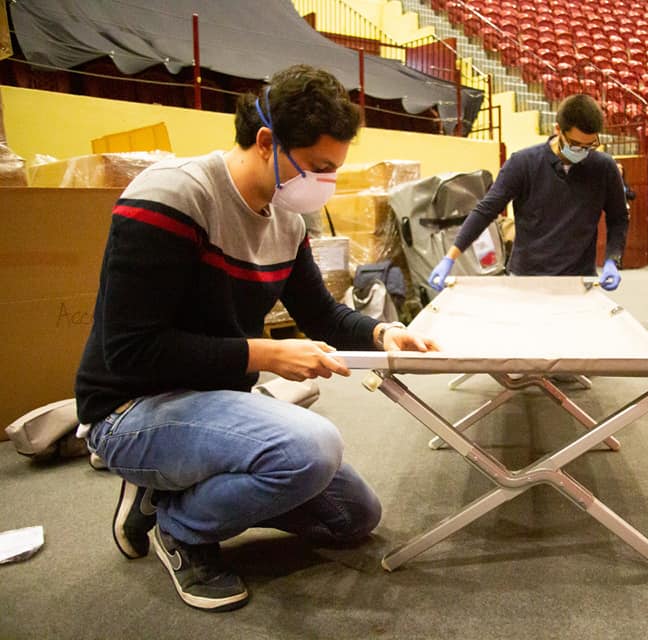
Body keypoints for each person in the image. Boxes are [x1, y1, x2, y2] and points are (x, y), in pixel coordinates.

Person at [74, 64, 437, 612]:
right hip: (129, 407)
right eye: (318, 168)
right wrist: (264, 353)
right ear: (267, 142)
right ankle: (181, 527)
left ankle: (165, 489)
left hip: (212, 402)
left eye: (334, 171)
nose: (326, 184)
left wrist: (383, 330)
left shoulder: (287, 221)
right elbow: (130, 348)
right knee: (311, 448)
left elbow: (320, 312)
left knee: (353, 516)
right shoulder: (173, 196)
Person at [427, 94, 629, 291]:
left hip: (577, 281)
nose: (582, 152)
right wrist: (450, 257)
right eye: (575, 145)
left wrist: (612, 259)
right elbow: (486, 211)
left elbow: (618, 218)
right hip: (526, 279)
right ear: (558, 130)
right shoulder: (523, 163)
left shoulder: (604, 168)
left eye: (590, 146)